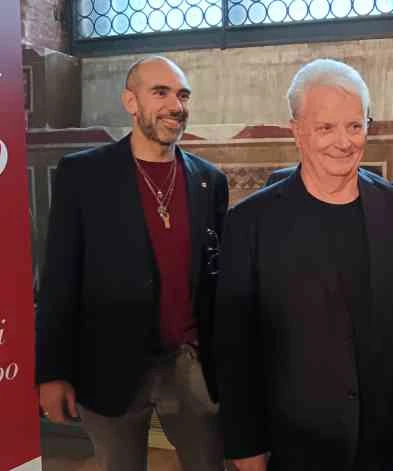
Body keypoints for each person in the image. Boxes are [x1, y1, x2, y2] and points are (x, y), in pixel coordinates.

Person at [214, 58, 393, 471]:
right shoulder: (250, 223)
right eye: (326, 128)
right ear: (296, 130)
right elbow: (236, 348)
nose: (344, 142)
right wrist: (246, 447)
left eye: (355, 126)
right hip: (299, 444)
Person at [36, 56, 228, 471]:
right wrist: (52, 372)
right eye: (160, 92)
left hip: (189, 364)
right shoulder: (84, 174)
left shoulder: (209, 180)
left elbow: (217, 279)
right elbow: (59, 277)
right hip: (110, 365)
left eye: (182, 95)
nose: (175, 105)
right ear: (130, 101)